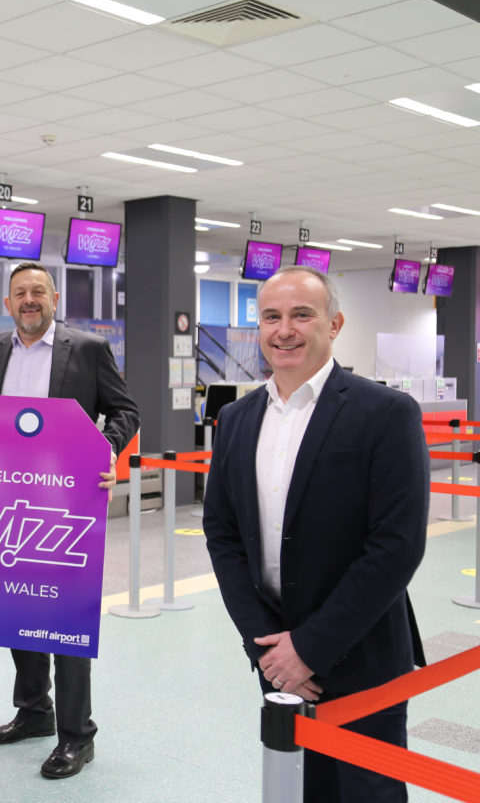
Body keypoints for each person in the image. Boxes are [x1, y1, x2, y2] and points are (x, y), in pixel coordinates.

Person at [202, 265, 428, 801]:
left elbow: (396, 546)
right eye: (271, 317)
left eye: (302, 314)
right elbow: (224, 534)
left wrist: (310, 648)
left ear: (334, 323)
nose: (285, 330)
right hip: (275, 656)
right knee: (301, 788)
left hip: (362, 653)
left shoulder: (386, 413)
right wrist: (266, 648)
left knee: (368, 791)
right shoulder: (235, 420)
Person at [0, 261, 139, 779]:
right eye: (19, 293)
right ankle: (34, 713)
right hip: (2, 503)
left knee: (65, 621)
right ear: (7, 304)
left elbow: (125, 411)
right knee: (15, 608)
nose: (29, 300)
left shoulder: (88, 350)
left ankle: (78, 737)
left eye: (37, 292)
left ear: (54, 298)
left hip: (66, 508)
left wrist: (106, 450)